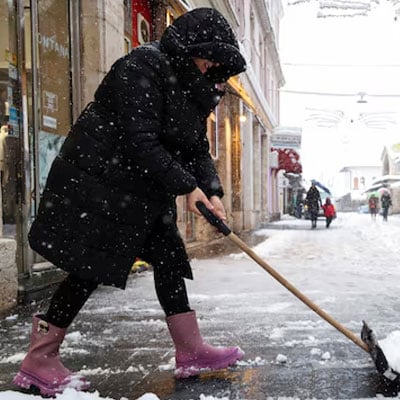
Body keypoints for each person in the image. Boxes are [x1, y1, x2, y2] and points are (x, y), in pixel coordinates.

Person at [14, 8, 247, 396]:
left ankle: (190, 351)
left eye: (217, 62)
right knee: (88, 268)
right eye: (209, 57)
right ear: (192, 47)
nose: (212, 66)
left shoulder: (194, 87)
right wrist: (186, 188)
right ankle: (39, 358)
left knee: (171, 260)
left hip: (143, 192)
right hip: (103, 186)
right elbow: (141, 141)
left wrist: (212, 191)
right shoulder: (143, 66)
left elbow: (195, 146)